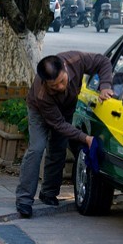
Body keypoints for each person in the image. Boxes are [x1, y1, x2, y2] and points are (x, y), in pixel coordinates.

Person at [15, 52, 114, 218]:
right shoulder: (42, 94)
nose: (60, 87)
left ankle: (48, 193)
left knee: (58, 148)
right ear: (46, 83)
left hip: (66, 109)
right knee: (37, 149)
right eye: (54, 86)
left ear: (65, 69)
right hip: (40, 112)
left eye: (62, 81)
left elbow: (103, 61)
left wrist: (105, 85)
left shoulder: (76, 60)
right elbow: (59, 125)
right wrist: (85, 138)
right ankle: (24, 200)